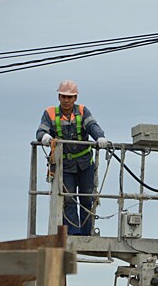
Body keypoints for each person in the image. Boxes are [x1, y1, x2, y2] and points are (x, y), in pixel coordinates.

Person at [36, 80, 108, 236]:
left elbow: (92, 126)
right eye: (63, 97)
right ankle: (73, 233)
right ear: (59, 97)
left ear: (75, 98)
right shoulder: (50, 113)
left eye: (70, 97)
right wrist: (45, 137)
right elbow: (41, 131)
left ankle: (86, 232)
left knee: (87, 198)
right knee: (68, 199)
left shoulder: (82, 112)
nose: (66, 100)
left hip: (84, 163)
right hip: (65, 165)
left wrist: (100, 137)